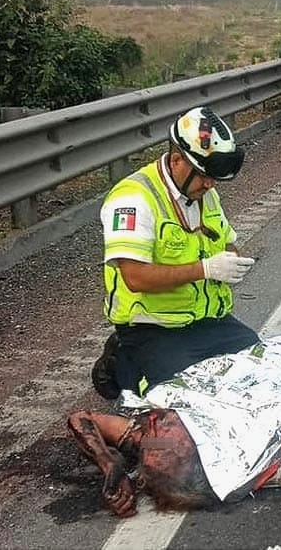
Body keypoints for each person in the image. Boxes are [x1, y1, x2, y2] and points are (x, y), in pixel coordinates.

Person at [91, 105, 260, 399]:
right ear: (177, 159)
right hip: (153, 327)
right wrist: (205, 269)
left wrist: (232, 261)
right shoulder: (132, 198)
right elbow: (135, 277)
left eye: (213, 177)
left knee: (258, 368)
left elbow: (225, 242)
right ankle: (121, 361)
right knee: (184, 397)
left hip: (208, 321)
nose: (210, 184)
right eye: (204, 175)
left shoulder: (204, 192)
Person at [69, 357, 281, 516]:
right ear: (198, 452)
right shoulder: (246, 460)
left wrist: (109, 464)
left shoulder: (157, 443)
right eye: (161, 429)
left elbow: (82, 419)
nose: (154, 419)